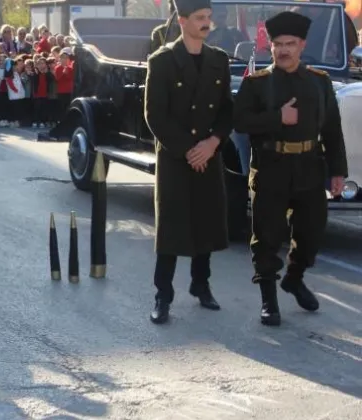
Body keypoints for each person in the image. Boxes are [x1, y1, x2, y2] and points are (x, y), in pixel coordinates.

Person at [232, 11, 348, 327]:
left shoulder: (319, 83)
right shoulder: (257, 84)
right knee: (266, 237)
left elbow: (333, 129)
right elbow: (238, 122)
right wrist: (276, 118)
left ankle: (294, 278)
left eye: (290, 44)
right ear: (270, 47)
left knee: (311, 232)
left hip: (310, 167)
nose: (283, 50)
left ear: (302, 45)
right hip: (271, 168)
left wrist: (338, 171)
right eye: (278, 44)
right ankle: (269, 300)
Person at [143, 0, 233, 324]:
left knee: (206, 221)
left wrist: (212, 143)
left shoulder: (218, 60)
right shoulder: (163, 61)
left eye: (208, 17)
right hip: (176, 158)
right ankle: (162, 295)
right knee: (171, 228)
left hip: (208, 154)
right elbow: (155, 115)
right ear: (182, 21)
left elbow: (226, 110)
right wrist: (188, 150)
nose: (207, 23)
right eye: (200, 18)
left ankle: (201, 284)